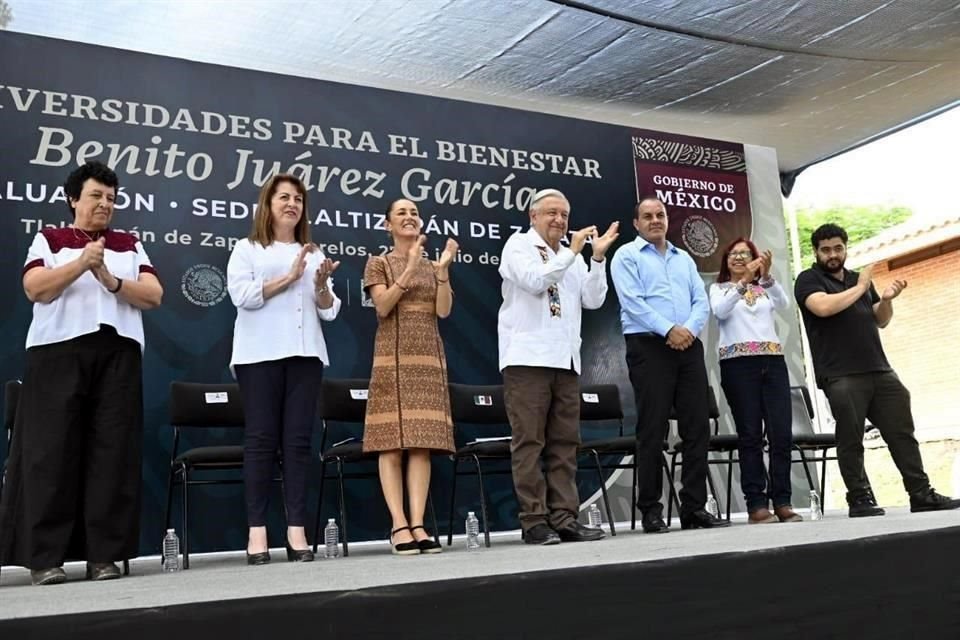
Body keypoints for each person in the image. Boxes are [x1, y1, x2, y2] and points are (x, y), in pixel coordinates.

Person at [0, 161, 163, 585]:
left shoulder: (128, 245)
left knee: (111, 453)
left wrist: (109, 278)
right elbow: (35, 288)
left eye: (110, 198)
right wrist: (82, 263)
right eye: (95, 196)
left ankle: (103, 556)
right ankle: (45, 559)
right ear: (73, 199)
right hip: (58, 352)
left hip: (118, 354)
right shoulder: (50, 239)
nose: (104, 204)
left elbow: (153, 294)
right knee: (51, 453)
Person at [794, 223, 960, 517]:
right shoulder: (808, 279)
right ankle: (860, 498)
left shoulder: (860, 280)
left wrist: (885, 300)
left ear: (845, 248)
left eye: (838, 248)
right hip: (841, 374)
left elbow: (879, 320)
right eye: (826, 250)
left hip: (879, 368)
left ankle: (920, 494)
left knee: (902, 433)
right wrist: (860, 288)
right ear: (816, 252)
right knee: (851, 439)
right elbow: (823, 308)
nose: (833, 255)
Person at [227, 174, 341, 565]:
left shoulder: (314, 252)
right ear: (267, 205)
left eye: (298, 199)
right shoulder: (247, 249)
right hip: (258, 355)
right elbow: (242, 296)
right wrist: (290, 277)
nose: (292, 204)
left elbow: (329, 310)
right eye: (284, 198)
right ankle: (256, 532)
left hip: (306, 353)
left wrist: (321, 283)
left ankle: (297, 530)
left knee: (297, 443)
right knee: (261, 440)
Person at [498, 188, 618, 545]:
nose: (559, 220)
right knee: (529, 442)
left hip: (566, 360)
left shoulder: (572, 256)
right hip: (527, 358)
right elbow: (536, 281)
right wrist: (573, 251)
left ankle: (565, 517)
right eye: (551, 213)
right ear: (532, 216)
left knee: (565, 442)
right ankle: (535, 520)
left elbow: (593, 300)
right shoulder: (517, 246)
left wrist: (596, 260)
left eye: (564, 214)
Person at [610, 197, 729, 532]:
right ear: (636, 223)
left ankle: (694, 508)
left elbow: (699, 301)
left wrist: (688, 330)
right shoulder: (626, 256)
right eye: (647, 216)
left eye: (660, 215)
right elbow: (632, 303)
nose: (654, 220)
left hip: (688, 345)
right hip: (649, 346)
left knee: (697, 427)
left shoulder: (684, 258)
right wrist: (669, 329)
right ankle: (650, 510)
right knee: (653, 429)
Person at [362, 198, 458, 555]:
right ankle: (398, 525)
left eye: (414, 213)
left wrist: (442, 270)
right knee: (391, 442)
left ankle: (418, 524)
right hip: (392, 356)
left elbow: (443, 311)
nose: (409, 217)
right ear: (388, 225)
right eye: (401, 213)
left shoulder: (434, 265)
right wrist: (409, 269)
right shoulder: (378, 262)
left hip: (428, 357)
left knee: (421, 442)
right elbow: (383, 307)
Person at [709, 238, 801, 524]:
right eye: (733, 254)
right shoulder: (719, 289)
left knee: (781, 433)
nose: (739, 257)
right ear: (726, 261)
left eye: (745, 254)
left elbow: (784, 303)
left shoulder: (765, 288)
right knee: (750, 435)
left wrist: (765, 277)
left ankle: (782, 501)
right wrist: (743, 282)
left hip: (772, 362)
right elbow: (720, 312)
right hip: (738, 365)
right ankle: (756, 504)